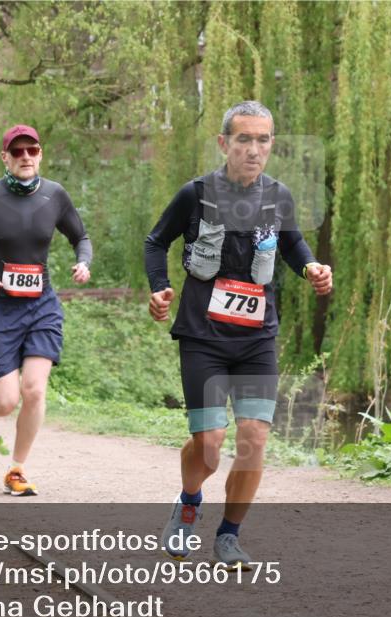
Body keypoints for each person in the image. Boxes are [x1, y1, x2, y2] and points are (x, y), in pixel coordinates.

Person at [144, 101, 333, 567]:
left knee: (253, 439)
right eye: (244, 139)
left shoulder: (278, 196)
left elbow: (291, 242)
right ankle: (189, 503)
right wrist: (159, 288)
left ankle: (229, 536)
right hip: (203, 336)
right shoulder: (195, 194)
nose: (253, 149)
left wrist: (310, 267)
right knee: (209, 446)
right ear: (224, 143)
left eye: (263, 140)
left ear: (272, 144)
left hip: (255, 339)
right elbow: (156, 241)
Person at [0, 124, 92, 496]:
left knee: (34, 390)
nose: (25, 157)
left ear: (40, 154)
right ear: (5, 158)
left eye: (32, 151)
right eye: (17, 152)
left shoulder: (55, 196)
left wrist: (84, 262)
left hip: (42, 306)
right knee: (6, 401)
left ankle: (17, 470)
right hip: (0, 309)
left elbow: (81, 237)